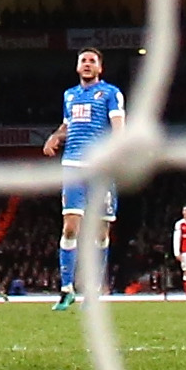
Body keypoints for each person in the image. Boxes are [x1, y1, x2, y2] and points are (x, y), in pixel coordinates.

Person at [42, 48, 125, 311]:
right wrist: (55, 137)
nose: (87, 64)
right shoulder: (70, 95)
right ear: (78, 67)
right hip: (73, 166)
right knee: (70, 228)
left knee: (100, 231)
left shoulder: (111, 93)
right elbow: (67, 125)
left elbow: (118, 127)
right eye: (83, 61)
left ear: (100, 68)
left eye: (92, 61)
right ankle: (67, 289)